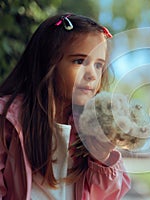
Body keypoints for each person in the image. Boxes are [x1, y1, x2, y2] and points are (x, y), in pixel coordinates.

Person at [0, 13, 131, 199]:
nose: (92, 75)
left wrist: (102, 156)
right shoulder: (9, 118)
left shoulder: (93, 126)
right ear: (48, 62)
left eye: (98, 65)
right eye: (79, 61)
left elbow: (107, 195)